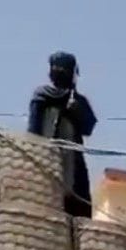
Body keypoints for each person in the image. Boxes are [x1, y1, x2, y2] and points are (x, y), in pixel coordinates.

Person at [28, 52, 97, 218]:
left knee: (78, 204)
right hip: (47, 156)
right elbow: (33, 131)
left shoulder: (78, 100)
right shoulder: (42, 95)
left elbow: (88, 127)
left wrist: (77, 111)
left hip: (73, 161)